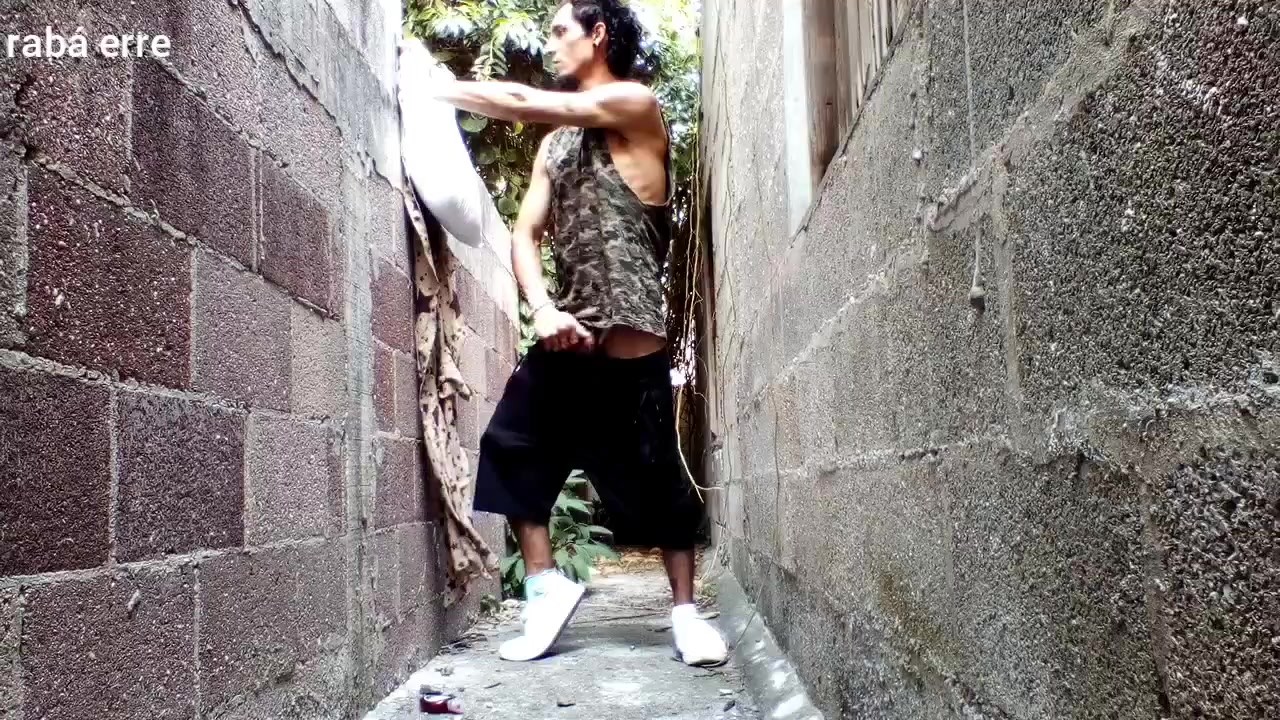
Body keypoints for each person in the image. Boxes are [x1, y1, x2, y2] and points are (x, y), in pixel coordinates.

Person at [429, 0, 728, 666]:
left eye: (561, 30)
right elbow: (526, 235)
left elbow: (523, 101)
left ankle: (685, 615)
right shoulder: (554, 147)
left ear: (598, 35)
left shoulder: (635, 105)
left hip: (633, 342)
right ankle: (544, 590)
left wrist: (432, 88)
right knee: (511, 447)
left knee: (660, 487)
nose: (552, 41)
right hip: (568, 338)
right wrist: (541, 306)